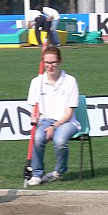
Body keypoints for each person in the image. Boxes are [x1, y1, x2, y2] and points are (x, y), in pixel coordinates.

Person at [26, 45, 80, 186]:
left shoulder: (70, 81)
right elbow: (34, 108)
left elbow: (69, 113)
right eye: (47, 63)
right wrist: (34, 116)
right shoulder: (36, 82)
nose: (50, 66)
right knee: (38, 138)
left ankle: (59, 171)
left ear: (59, 61)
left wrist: (53, 126)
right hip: (45, 120)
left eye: (53, 62)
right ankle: (37, 173)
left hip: (67, 122)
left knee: (59, 140)